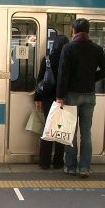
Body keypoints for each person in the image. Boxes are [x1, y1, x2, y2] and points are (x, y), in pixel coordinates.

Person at [56, 18, 105, 178]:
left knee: (71, 132)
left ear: (73, 31)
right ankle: (84, 168)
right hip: (89, 95)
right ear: (88, 31)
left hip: (72, 95)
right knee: (86, 132)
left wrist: (60, 96)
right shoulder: (96, 48)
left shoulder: (68, 48)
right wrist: (92, 78)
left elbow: (63, 74)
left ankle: (71, 166)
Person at [34, 35, 69, 169]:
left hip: (48, 98)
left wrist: (37, 98)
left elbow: (40, 80)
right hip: (65, 99)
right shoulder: (68, 59)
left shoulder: (47, 59)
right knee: (61, 129)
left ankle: (44, 162)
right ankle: (58, 162)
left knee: (48, 129)